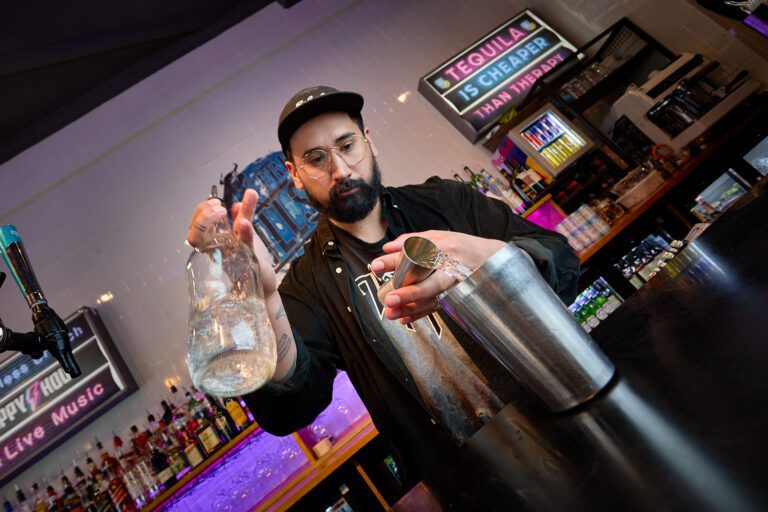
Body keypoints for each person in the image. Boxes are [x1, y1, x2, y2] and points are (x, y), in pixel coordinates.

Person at [186, 86, 580, 486]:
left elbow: (562, 262)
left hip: (562, 412)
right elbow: (292, 408)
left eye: (347, 145)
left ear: (369, 142)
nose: (339, 170)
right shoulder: (306, 286)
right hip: (460, 481)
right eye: (316, 159)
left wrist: (475, 254)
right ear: (295, 175)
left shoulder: (446, 202)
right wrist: (262, 296)